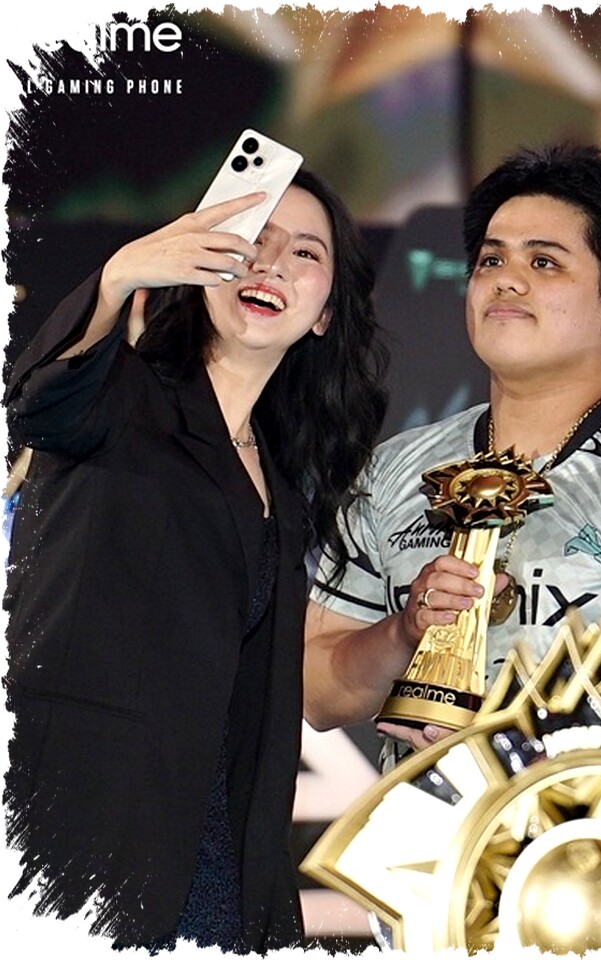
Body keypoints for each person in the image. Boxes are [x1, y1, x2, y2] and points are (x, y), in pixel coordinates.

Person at [3, 169, 389, 950]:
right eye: (255, 240)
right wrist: (118, 278)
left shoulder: (282, 481)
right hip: (85, 833)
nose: (272, 264)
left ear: (324, 313)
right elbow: (42, 402)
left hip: (217, 854)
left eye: (304, 253)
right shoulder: (124, 397)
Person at [304, 143, 601, 761]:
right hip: (421, 819)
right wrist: (403, 632)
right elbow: (318, 693)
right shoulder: (393, 471)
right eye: (490, 259)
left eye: (545, 261)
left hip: (586, 818)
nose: (506, 278)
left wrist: (534, 738)